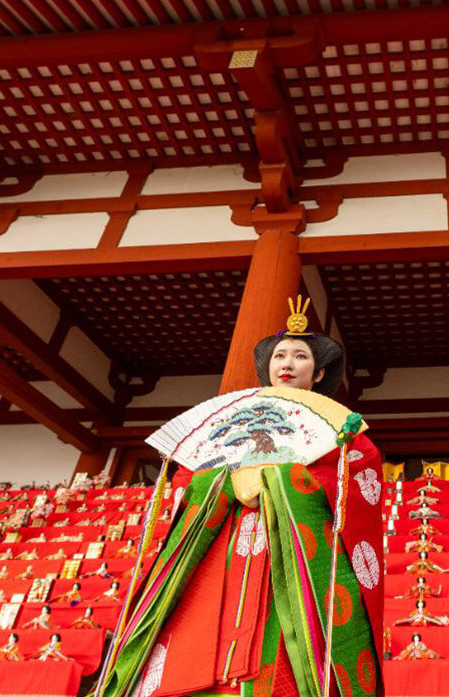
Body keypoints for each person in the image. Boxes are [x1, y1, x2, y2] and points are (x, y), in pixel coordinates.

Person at [98, 298, 383, 697]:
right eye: (280, 355)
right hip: (220, 548)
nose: (287, 363)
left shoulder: (339, 428)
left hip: (289, 554)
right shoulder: (234, 417)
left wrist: (278, 479)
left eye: (300, 356)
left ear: (318, 373)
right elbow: (185, 480)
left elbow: (359, 474)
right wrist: (224, 484)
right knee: (193, 642)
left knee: (283, 653)